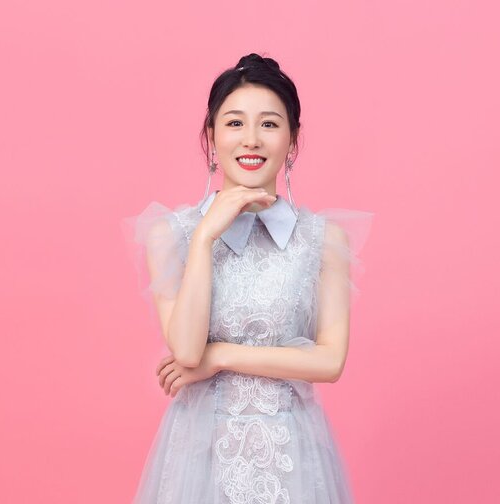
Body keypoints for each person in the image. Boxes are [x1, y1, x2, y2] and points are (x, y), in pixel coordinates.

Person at [125, 52, 372, 503]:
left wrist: (220, 356)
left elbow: (330, 362)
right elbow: (186, 350)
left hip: (291, 455)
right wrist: (205, 237)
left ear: (293, 140)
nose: (251, 140)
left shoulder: (322, 239)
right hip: (200, 458)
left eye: (270, 124)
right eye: (235, 123)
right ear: (211, 135)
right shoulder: (172, 235)